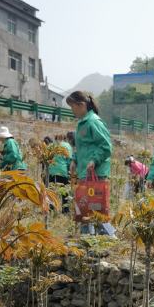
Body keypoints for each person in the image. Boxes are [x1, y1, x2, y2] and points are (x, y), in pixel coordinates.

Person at [66, 91, 114, 235]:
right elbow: (82, 147)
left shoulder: (93, 122)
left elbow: (106, 147)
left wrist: (94, 160)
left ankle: (108, 238)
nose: (72, 110)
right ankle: (88, 242)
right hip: (84, 173)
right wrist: (74, 159)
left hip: (96, 173)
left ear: (81, 105)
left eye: (72, 106)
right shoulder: (82, 123)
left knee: (96, 210)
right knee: (85, 208)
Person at [48, 133, 74, 213]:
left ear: (55, 138)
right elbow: (69, 159)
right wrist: (71, 172)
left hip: (51, 171)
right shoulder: (67, 146)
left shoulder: (51, 145)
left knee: (51, 191)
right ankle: (65, 210)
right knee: (64, 192)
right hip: (63, 171)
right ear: (65, 138)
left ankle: (51, 209)